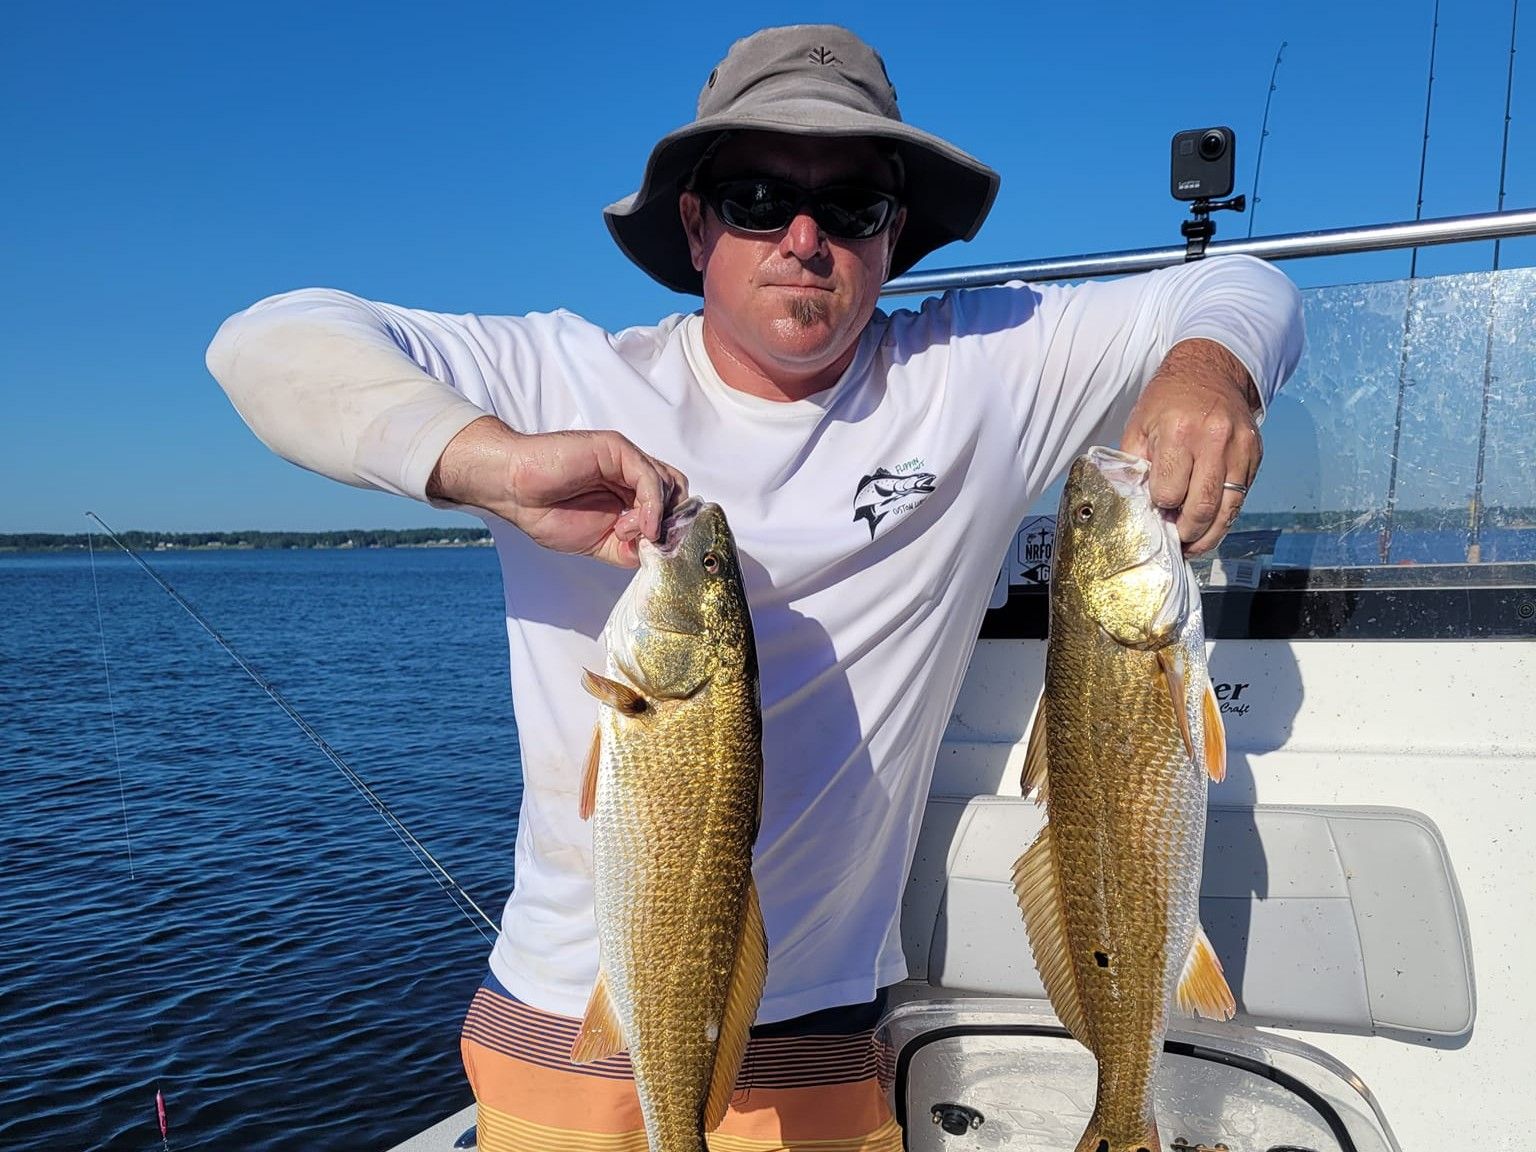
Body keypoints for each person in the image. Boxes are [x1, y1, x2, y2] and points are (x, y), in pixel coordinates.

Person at [207, 23, 1303, 1152]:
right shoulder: (558, 373)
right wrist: (494, 463)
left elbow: (1245, 287)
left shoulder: (977, 374)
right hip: (568, 1011)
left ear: (894, 238)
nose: (803, 236)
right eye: (757, 193)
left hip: (822, 1025)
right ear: (694, 224)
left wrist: (1204, 369)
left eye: (852, 207)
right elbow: (266, 342)